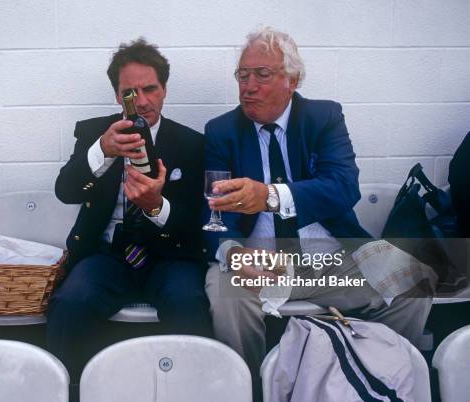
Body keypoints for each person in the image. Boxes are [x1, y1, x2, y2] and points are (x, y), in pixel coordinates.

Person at [203, 26, 433, 393]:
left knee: (412, 281)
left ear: (291, 80)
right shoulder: (221, 131)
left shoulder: (323, 118)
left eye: (262, 75)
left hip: (331, 259)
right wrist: (232, 251)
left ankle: (379, 379)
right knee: (226, 293)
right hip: (261, 262)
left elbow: (344, 187)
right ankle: (248, 390)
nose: (249, 86)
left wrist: (271, 196)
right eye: (242, 75)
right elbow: (212, 214)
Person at [46, 38, 212, 382]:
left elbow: (198, 221)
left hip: (170, 257)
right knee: (70, 301)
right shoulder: (96, 132)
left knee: (189, 303)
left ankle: (193, 389)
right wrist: (102, 151)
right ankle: (68, 389)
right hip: (107, 256)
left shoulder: (193, 144)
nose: (142, 101)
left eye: (150, 88)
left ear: (164, 89)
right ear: (117, 96)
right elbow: (65, 191)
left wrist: (157, 207)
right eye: (130, 92)